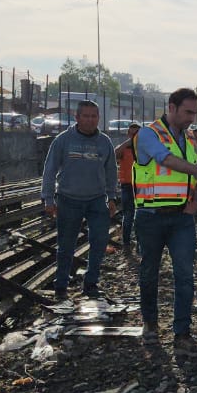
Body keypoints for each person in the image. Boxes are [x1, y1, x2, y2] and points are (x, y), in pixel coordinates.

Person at [134, 88, 197, 354]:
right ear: (171, 107)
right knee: (149, 272)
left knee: (185, 275)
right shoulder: (148, 134)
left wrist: (195, 199)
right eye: (188, 112)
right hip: (150, 216)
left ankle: (182, 335)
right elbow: (166, 160)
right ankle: (150, 324)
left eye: (195, 113)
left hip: (182, 218)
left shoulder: (188, 139)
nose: (192, 118)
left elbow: (190, 175)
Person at [40, 100, 118, 300]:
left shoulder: (105, 142)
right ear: (77, 118)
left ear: (99, 118)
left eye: (94, 116)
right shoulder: (63, 140)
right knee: (66, 245)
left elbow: (111, 172)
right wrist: (48, 198)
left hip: (97, 200)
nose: (90, 120)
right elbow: (49, 171)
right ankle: (61, 285)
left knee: (99, 241)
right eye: (86, 116)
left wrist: (112, 197)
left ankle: (90, 283)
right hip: (68, 199)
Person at [113, 122, 141, 254]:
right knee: (128, 214)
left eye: (136, 133)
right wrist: (128, 142)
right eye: (132, 133)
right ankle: (126, 242)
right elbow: (114, 154)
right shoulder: (125, 148)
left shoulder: (145, 147)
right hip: (128, 186)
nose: (134, 136)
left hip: (142, 186)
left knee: (142, 215)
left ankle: (140, 243)